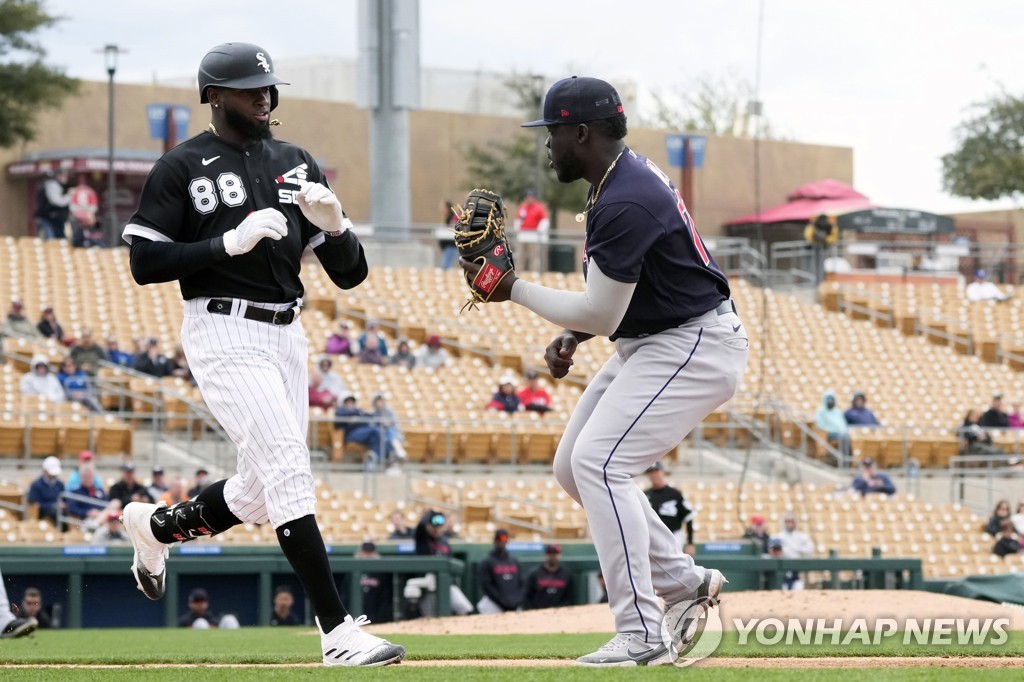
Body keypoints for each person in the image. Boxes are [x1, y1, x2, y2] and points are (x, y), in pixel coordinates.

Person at [115, 41, 403, 667]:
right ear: (213, 95)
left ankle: (155, 528)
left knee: (259, 490)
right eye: (248, 87)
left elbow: (351, 276)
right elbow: (144, 262)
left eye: (268, 85)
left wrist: (336, 225)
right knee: (288, 467)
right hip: (224, 330)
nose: (263, 96)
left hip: (285, 333)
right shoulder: (182, 166)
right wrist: (226, 244)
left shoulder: (296, 161)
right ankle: (337, 633)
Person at [460, 76, 745, 666]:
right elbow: (616, 299)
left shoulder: (626, 196)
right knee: (573, 467)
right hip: (658, 338)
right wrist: (575, 331)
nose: (548, 145)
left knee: (600, 462)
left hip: (692, 343)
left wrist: (510, 288)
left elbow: (601, 307)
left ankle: (641, 632)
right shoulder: (617, 181)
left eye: (553, 133)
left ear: (581, 132)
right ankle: (684, 583)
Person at [411, 510, 474, 616]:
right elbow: (420, 528)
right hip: (428, 586)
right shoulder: (423, 540)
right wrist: (431, 515)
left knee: (466, 609)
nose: (437, 529)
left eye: (439, 527)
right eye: (433, 526)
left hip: (446, 583)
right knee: (430, 617)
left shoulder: (444, 541)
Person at [643, 461, 695, 555]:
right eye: (651, 472)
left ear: (663, 472)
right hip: (653, 538)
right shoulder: (645, 495)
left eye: (656, 471)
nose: (654, 475)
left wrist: (690, 543)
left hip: (673, 536)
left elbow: (688, 517)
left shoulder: (675, 494)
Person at [334, 395, 389, 470]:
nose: (350, 404)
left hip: (364, 434)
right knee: (375, 431)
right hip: (351, 435)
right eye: (348, 402)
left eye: (352, 402)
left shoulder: (358, 411)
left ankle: (373, 461)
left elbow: (370, 416)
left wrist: (358, 414)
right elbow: (338, 420)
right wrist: (355, 415)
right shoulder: (341, 411)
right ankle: (380, 459)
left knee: (375, 437)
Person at [477, 528, 525, 614]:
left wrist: (516, 601)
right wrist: (502, 602)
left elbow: (521, 584)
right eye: (499, 539)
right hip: (494, 604)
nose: (501, 542)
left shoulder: (514, 561)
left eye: (504, 539)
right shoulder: (487, 562)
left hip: (514, 604)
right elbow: (487, 586)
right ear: (495, 541)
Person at [355, 541, 394, 624]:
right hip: (357, 615)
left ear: (375, 553)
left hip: (377, 615)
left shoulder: (382, 573)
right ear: (361, 553)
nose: (368, 555)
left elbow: (386, 597)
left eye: (370, 553)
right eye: (366, 552)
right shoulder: (352, 572)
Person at [525, 544, 573, 610]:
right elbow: (527, 596)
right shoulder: (535, 574)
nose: (553, 556)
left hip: (559, 613)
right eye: (550, 553)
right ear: (546, 555)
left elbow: (569, 597)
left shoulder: (566, 575)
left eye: (555, 554)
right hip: (539, 612)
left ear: (559, 555)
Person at [513, 189, 550, 272]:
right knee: (519, 256)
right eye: (527, 197)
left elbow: (544, 221)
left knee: (533, 257)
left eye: (531, 197)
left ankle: (534, 273)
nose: (529, 198)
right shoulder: (523, 207)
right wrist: (517, 230)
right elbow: (518, 220)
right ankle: (518, 273)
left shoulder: (539, 208)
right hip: (523, 235)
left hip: (533, 235)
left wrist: (539, 232)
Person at [34, 170, 71, 240]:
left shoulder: (59, 185)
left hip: (57, 219)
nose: (65, 178)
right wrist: (69, 197)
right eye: (63, 175)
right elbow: (56, 201)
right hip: (49, 218)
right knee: (51, 240)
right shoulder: (52, 184)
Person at [0, 568, 38, 639]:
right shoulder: (19, 614)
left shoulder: (44, 618)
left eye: (35, 603)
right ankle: (2, 620)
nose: (32, 606)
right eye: (29, 603)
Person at [370, 393, 407, 465]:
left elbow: (396, 425)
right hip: (378, 437)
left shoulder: (389, 411)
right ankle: (398, 451)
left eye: (381, 401)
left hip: (390, 436)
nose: (379, 403)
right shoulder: (372, 412)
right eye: (377, 401)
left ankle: (398, 451)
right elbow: (371, 425)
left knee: (390, 431)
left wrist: (387, 424)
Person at [28, 457, 65, 525]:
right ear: (45, 471)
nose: (53, 475)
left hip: (59, 510)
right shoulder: (36, 485)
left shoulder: (60, 484)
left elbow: (64, 499)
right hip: (44, 512)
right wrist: (53, 505)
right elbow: (35, 504)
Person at [815, 389, 850, 457]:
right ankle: (843, 459)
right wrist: (832, 430)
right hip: (830, 434)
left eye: (832, 399)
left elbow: (843, 425)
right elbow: (819, 425)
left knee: (848, 437)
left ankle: (847, 459)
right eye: (828, 399)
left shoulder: (837, 412)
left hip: (841, 433)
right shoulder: (821, 411)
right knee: (844, 437)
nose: (830, 401)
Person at [437, 200, 460, 270]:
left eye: (442, 207)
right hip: (447, 247)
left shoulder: (453, 217)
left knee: (446, 267)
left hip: (451, 245)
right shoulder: (445, 218)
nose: (440, 209)